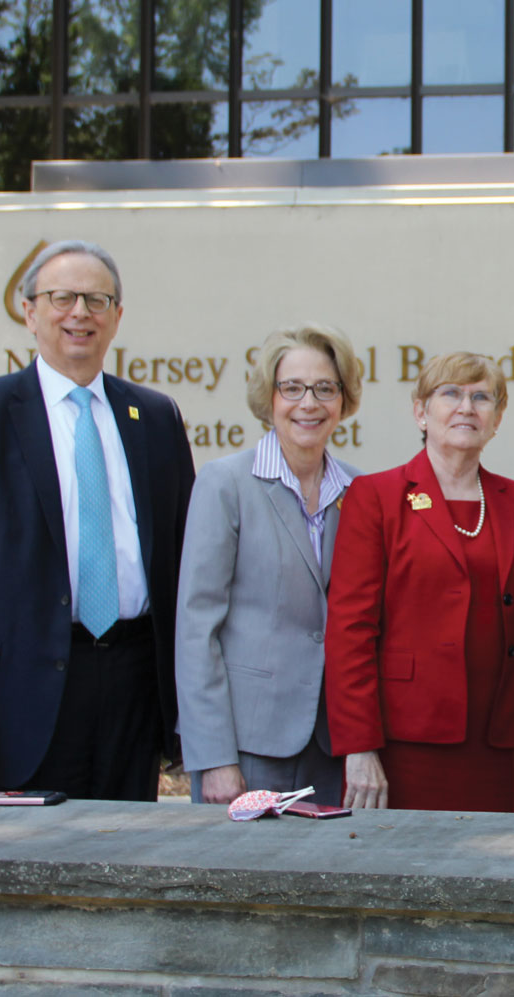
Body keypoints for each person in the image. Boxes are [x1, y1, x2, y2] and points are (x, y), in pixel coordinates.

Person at [0, 240, 195, 801]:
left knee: (123, 865)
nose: (80, 314)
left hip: (133, 688)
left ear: (117, 316)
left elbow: (185, 559)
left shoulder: (155, 417)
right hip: (15, 699)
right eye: (62, 297)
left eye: (97, 300)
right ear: (29, 311)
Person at [323, 353, 514, 813]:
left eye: (481, 397)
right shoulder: (376, 498)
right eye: (450, 394)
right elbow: (350, 633)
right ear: (421, 412)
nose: (466, 407)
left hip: (502, 744)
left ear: (496, 419)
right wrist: (359, 747)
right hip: (405, 744)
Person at [175, 325, 365, 805]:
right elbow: (197, 629)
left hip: (334, 744)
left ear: (343, 400)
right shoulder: (226, 484)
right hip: (247, 745)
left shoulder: (361, 492)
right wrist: (215, 758)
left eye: (325, 388)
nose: (309, 403)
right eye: (292, 388)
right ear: (269, 397)